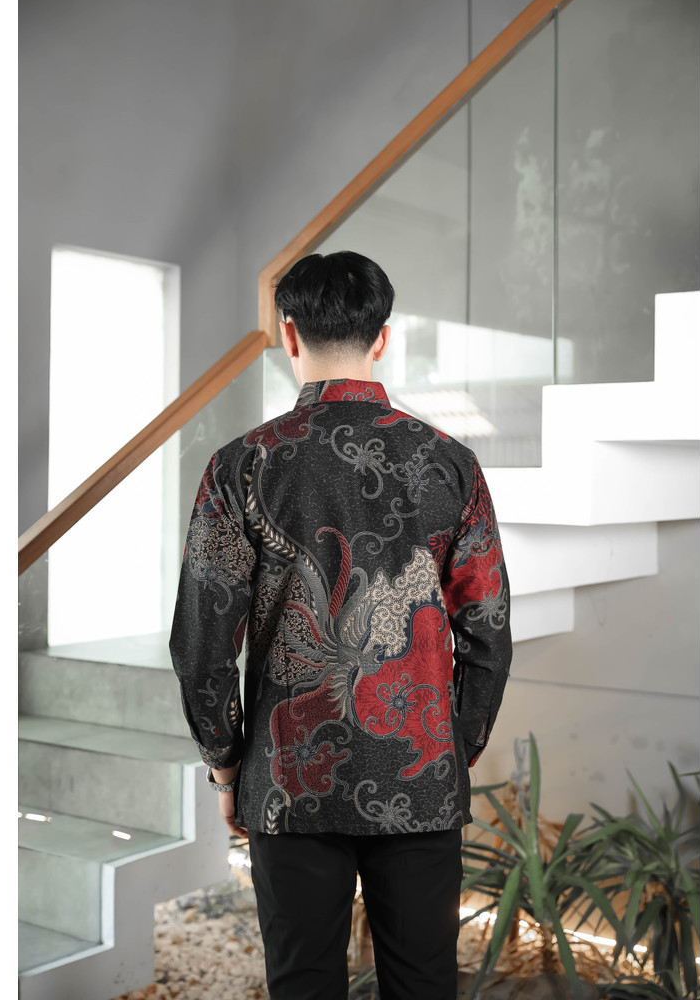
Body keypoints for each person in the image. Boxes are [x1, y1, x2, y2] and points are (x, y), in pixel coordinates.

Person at [169, 251, 512, 1000]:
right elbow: (487, 630)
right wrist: (455, 750)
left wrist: (226, 765)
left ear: (288, 335)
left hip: (288, 778)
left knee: (303, 984)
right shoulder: (451, 464)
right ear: (382, 338)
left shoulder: (240, 466)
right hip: (421, 773)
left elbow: (200, 646)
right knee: (423, 985)